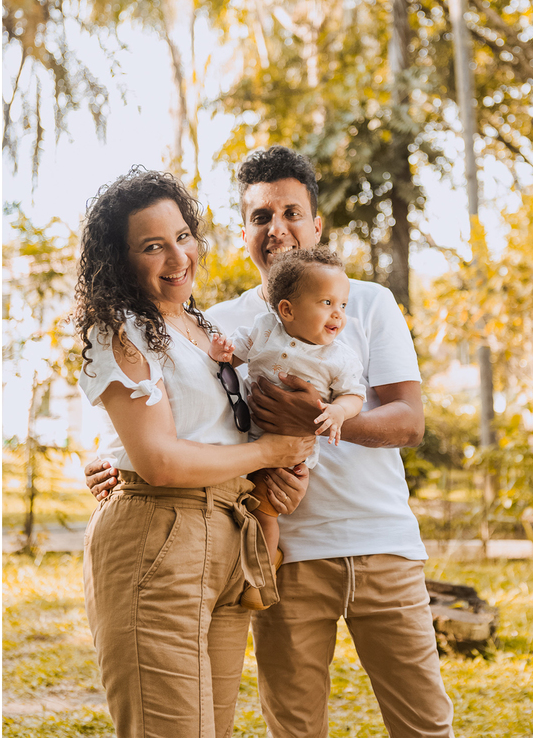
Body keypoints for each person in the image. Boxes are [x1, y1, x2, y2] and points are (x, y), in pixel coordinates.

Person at [87, 147, 456, 738]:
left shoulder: (365, 303)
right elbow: (173, 414)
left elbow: (409, 422)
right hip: (279, 553)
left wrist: (318, 419)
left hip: (381, 538)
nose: (277, 228)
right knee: (293, 727)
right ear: (243, 234)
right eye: (261, 217)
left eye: (291, 212)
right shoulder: (220, 325)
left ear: (317, 225)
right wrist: (108, 458)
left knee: (424, 724)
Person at [74, 167, 316, 738]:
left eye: (183, 236)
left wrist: (279, 474)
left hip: (230, 540)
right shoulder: (121, 329)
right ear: (121, 259)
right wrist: (268, 451)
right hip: (158, 541)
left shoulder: (202, 329)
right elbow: (157, 459)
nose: (177, 256)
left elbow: (206, 428)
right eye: (152, 246)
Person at [206, 245, 367, 611]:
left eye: (342, 305)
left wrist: (338, 412)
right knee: (235, 505)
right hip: (246, 441)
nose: (338, 315)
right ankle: (238, 565)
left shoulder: (338, 356)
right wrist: (222, 353)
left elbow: (354, 396)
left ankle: (260, 579)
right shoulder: (264, 330)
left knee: (266, 509)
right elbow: (238, 353)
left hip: (289, 452)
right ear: (287, 310)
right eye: (326, 303)